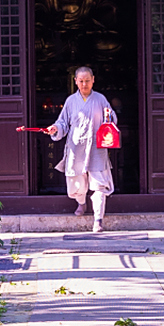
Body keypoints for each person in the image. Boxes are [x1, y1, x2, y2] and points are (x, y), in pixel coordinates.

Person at [46, 66, 117, 232]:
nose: (84, 84)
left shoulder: (100, 99)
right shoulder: (71, 101)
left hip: (96, 147)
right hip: (76, 146)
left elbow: (111, 118)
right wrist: (55, 128)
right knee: (75, 182)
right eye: (81, 81)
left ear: (93, 80)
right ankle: (81, 202)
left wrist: (110, 118)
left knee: (99, 183)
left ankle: (98, 220)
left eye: (87, 80)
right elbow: (62, 122)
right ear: (76, 81)